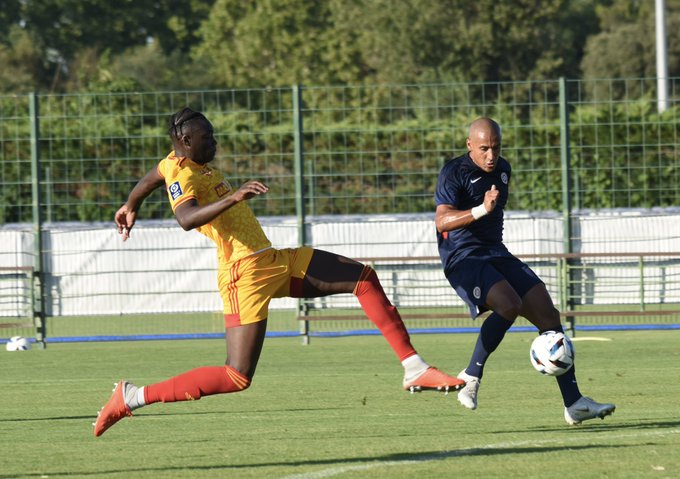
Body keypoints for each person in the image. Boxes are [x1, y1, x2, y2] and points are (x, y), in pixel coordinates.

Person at [93, 107, 465, 437]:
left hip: (271, 260)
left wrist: (131, 203)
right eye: (208, 137)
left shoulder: (176, 162)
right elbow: (186, 218)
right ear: (186, 141)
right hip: (243, 275)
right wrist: (234, 196)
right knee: (237, 376)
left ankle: (414, 367)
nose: (215, 142)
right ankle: (132, 396)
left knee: (363, 278)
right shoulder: (185, 176)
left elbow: (154, 174)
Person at [434, 117, 615, 425]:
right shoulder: (454, 172)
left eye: (496, 147)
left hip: (495, 253)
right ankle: (471, 376)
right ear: (469, 146)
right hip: (464, 258)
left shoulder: (503, 169)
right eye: (483, 149)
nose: (491, 156)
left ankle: (574, 403)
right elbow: (442, 221)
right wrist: (481, 209)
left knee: (548, 315)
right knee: (509, 304)